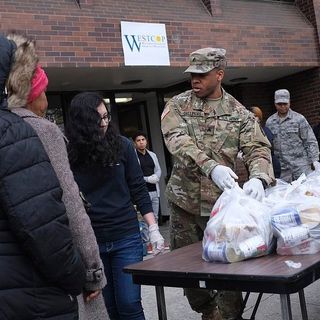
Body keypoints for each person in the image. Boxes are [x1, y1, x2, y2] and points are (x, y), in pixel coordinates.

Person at [161, 47, 274, 320]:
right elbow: (177, 140)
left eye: (202, 74)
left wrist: (259, 177)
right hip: (185, 204)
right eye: (192, 74)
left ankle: (229, 315)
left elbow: (257, 148)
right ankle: (207, 310)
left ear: (219, 74)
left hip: (223, 210)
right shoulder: (178, 105)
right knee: (186, 272)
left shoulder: (239, 113)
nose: (194, 80)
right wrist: (211, 167)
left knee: (229, 271)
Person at [6, 35, 108, 320]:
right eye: (45, 91)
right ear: (33, 94)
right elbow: (70, 203)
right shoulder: (43, 131)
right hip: (52, 270)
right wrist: (92, 271)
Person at [65, 92, 165, 320]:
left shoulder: (122, 146)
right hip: (92, 242)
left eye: (106, 116)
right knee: (108, 308)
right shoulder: (69, 152)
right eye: (97, 119)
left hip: (126, 237)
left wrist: (153, 228)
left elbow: (138, 188)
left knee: (129, 304)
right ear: (83, 123)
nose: (104, 123)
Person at [266, 89, 320, 182]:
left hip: (301, 166)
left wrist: (315, 159)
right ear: (275, 103)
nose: (283, 106)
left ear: (289, 102)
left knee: (306, 192)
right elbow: (268, 145)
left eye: (285, 104)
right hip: (283, 168)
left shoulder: (299, 119)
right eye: (279, 104)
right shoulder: (270, 122)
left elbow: (310, 141)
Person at [133, 131, 162, 254]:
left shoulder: (152, 155)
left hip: (154, 190)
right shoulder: (134, 157)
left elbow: (158, 169)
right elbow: (134, 174)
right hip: (143, 191)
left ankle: (155, 242)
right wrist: (146, 179)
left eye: (143, 140)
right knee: (144, 219)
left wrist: (156, 177)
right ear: (135, 143)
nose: (141, 142)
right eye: (138, 140)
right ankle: (147, 243)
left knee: (154, 217)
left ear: (146, 141)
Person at [249, 106, 281, 178]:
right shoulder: (250, 131)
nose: (251, 119)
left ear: (259, 118)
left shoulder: (264, 131)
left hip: (269, 166)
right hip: (257, 167)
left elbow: (270, 148)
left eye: (254, 116)